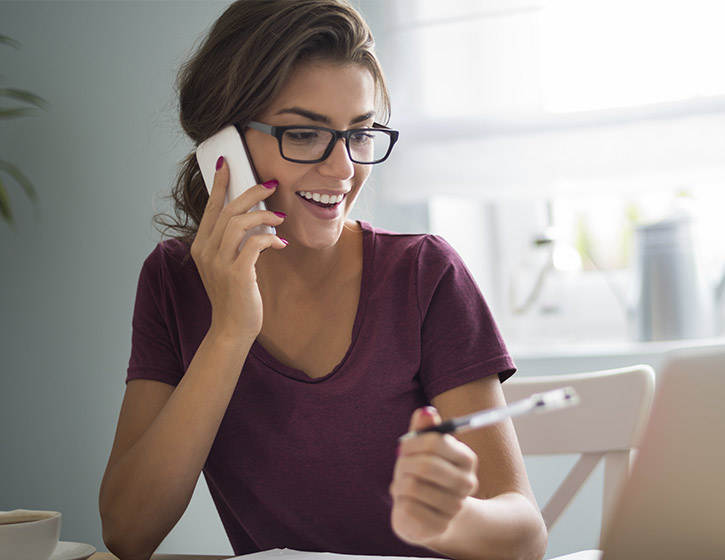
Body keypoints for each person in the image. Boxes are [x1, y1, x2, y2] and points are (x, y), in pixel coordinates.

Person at [98, 1, 547, 559]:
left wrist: (447, 520)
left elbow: (526, 537)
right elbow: (127, 531)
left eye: (360, 134)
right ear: (223, 150)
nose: (342, 170)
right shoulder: (174, 281)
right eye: (306, 135)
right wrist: (231, 331)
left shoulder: (424, 274)